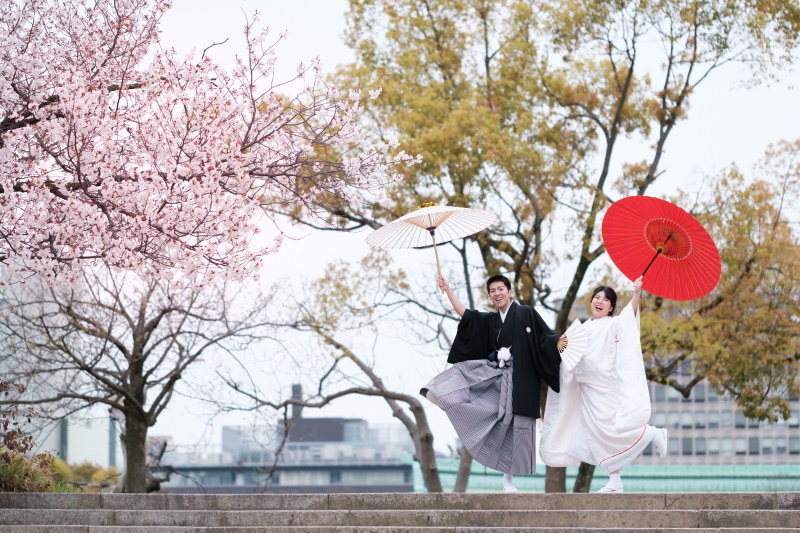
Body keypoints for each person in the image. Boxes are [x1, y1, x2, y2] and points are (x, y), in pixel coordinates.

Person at [420, 274, 567, 493]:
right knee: (496, 419)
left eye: (500, 289)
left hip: (522, 378)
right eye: (492, 291)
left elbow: (543, 338)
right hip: (498, 377)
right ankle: (447, 397)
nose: (497, 294)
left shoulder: (526, 313)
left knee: (516, 426)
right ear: (490, 296)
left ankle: (510, 478)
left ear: (510, 292)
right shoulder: (490, 320)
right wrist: (448, 289)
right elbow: (466, 315)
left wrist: (557, 341)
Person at [539, 276, 669, 494]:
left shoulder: (614, 324)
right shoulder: (582, 326)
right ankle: (615, 480)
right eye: (596, 297)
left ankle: (652, 433)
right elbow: (570, 356)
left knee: (610, 429)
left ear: (611, 307)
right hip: (586, 389)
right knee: (595, 436)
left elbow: (630, 316)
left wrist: (637, 293)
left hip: (604, 386)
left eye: (605, 299)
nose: (599, 301)